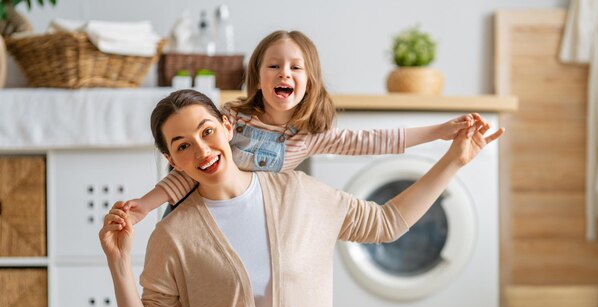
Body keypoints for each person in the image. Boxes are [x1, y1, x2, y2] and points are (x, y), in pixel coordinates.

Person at [99, 89, 504, 307]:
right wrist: (119, 266)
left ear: (227, 126)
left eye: (206, 131)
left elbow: (387, 222)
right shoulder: (172, 236)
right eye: (182, 145)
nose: (202, 150)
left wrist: (455, 159)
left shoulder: (301, 193)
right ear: (171, 160)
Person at [123, 30, 480, 223]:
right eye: (274, 66)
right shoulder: (233, 118)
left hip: (247, 219)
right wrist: (145, 204)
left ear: (310, 80)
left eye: (296, 67)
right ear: (258, 79)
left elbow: (375, 140)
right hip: (195, 212)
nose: (285, 73)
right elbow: (191, 170)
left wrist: (441, 130)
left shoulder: (309, 137)